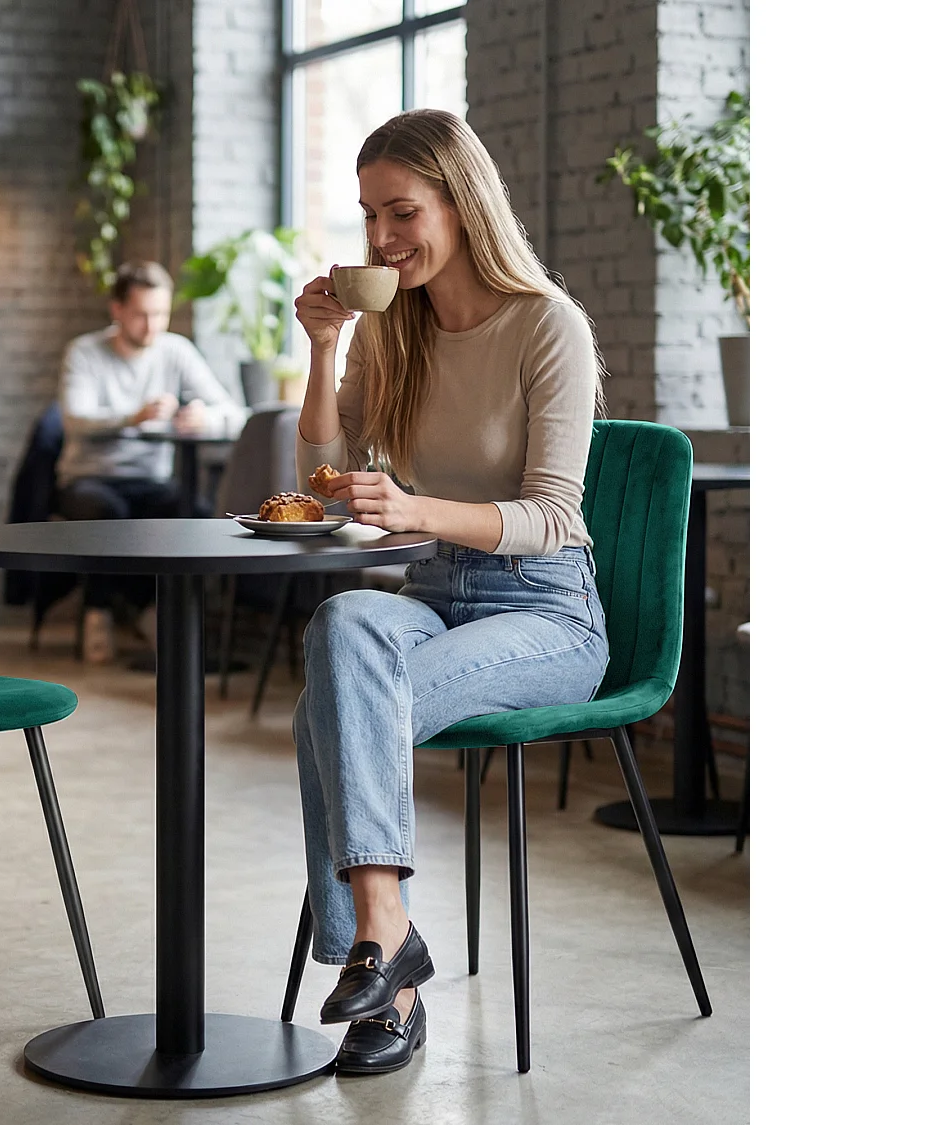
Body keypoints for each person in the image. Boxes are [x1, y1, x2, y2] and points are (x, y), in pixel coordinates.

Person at [291, 109, 610, 1076]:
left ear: (462, 205)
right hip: (434, 590)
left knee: (330, 714)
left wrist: (420, 503)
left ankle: (383, 976)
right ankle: (388, 937)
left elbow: (553, 515)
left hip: (545, 608)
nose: (382, 240)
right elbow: (318, 481)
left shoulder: (546, 325)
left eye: (403, 212)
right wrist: (323, 349)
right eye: (368, 217)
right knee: (344, 619)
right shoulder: (395, 331)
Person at [55, 260, 247, 663]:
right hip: (91, 477)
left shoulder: (175, 351)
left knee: (191, 513)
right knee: (108, 515)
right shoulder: (85, 352)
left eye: (160, 313)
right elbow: (75, 418)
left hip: (150, 479)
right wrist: (134, 416)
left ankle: (156, 613)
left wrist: (204, 417)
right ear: (117, 310)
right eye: (142, 314)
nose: (152, 325)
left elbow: (234, 410)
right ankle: (99, 611)